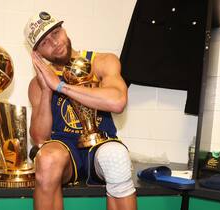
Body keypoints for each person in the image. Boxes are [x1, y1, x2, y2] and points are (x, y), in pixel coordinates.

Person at [24, 11, 137, 210]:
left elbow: (118, 102)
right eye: (44, 42)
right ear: (38, 54)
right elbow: (40, 139)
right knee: (47, 160)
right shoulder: (38, 84)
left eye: (56, 33)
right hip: (64, 148)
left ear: (64, 30)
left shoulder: (102, 62)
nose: (55, 42)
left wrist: (60, 86)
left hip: (101, 142)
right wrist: (46, 90)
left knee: (116, 158)